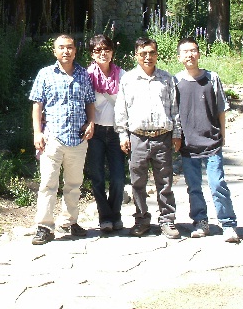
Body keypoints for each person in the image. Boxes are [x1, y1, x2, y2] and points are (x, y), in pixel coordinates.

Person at [30, 34, 96, 245]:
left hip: (78, 138)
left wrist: (91, 122)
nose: (66, 51)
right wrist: (37, 132)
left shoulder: (84, 75)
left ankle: (69, 221)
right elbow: (37, 105)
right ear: (55, 51)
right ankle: (44, 227)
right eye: (61, 47)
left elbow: (90, 102)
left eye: (69, 47)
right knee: (48, 184)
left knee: (74, 184)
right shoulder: (45, 74)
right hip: (53, 138)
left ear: (75, 51)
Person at [175, 37, 241, 243]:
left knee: (217, 184)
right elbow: (174, 113)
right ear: (179, 57)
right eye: (185, 52)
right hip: (188, 145)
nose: (190, 55)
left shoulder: (212, 78)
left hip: (212, 142)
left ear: (199, 53)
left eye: (193, 50)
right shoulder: (176, 82)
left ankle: (228, 224)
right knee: (194, 187)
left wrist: (223, 135)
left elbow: (221, 109)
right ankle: (200, 222)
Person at [115, 38, 181, 238]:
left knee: (165, 181)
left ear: (157, 54)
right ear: (136, 55)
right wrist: (122, 134)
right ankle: (142, 220)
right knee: (138, 182)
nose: (148, 57)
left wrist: (176, 134)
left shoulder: (166, 79)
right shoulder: (128, 79)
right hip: (138, 138)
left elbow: (175, 109)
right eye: (143, 53)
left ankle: (167, 220)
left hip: (162, 137)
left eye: (151, 53)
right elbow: (121, 109)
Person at [85, 34, 126, 233]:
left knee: (118, 177)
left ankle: (115, 214)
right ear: (92, 54)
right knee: (98, 176)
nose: (103, 53)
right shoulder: (87, 75)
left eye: (106, 49)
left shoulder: (123, 75)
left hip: (117, 132)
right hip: (96, 133)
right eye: (98, 50)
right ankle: (105, 217)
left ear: (112, 52)